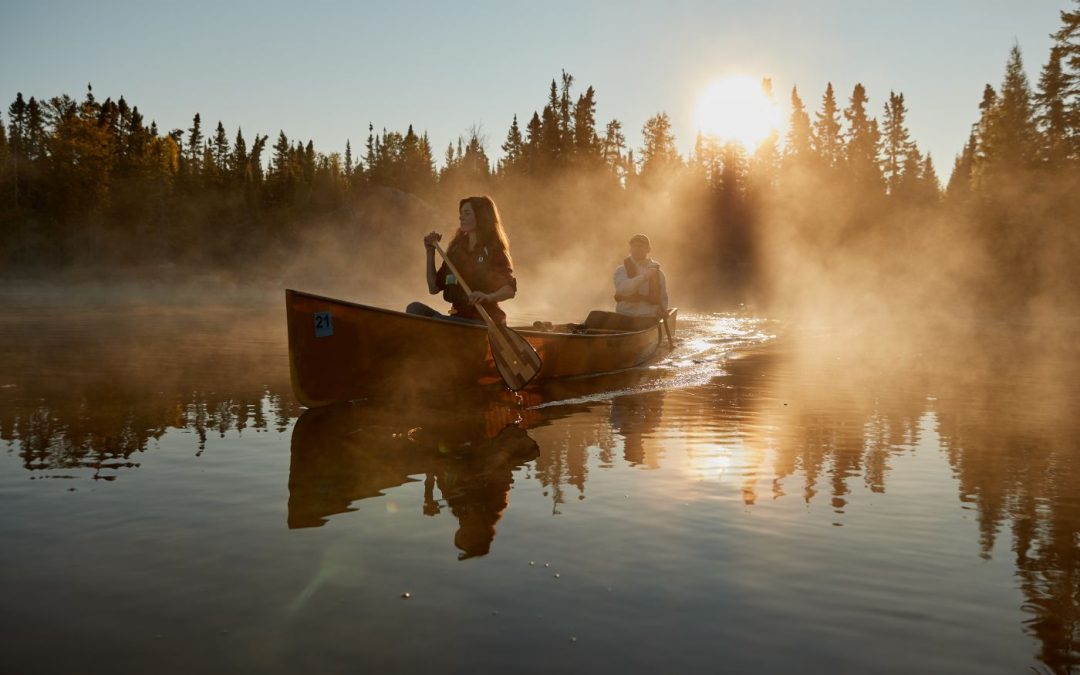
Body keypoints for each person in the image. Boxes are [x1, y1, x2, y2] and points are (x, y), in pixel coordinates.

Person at [406, 196, 517, 325]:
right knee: (414, 308)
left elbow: (509, 290)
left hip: (484, 321)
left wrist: (488, 297)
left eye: (467, 213)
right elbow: (433, 288)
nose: (461, 217)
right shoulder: (456, 251)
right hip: (456, 319)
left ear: (481, 217)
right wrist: (430, 252)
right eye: (461, 213)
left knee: (440, 321)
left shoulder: (493, 251)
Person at [614, 233, 668, 317]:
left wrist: (663, 309)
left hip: (649, 316)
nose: (637, 249)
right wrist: (644, 277)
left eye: (641, 246)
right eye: (634, 246)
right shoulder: (621, 270)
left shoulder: (658, 273)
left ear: (648, 250)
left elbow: (663, 296)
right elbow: (622, 290)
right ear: (630, 250)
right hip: (624, 314)